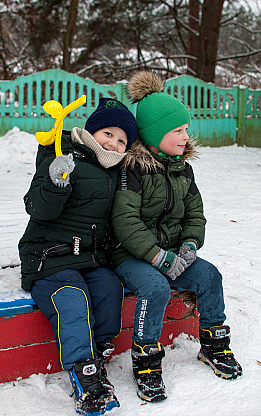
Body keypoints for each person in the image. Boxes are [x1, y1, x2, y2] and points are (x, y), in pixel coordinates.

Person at [111, 71, 243, 403]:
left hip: (173, 252)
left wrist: (188, 245)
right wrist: (157, 256)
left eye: (186, 129)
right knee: (154, 287)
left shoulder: (183, 169)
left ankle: (213, 345)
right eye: (178, 131)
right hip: (130, 255)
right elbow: (125, 222)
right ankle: (145, 362)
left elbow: (194, 213)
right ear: (155, 135)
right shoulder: (134, 171)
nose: (186, 136)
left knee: (210, 276)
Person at [18, 97, 138, 416]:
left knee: (109, 287)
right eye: (108, 133)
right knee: (71, 297)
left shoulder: (117, 171)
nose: (113, 142)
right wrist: (56, 182)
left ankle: (97, 349)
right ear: (92, 131)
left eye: (122, 140)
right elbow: (38, 209)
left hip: (90, 258)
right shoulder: (62, 152)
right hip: (48, 256)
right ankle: (84, 374)